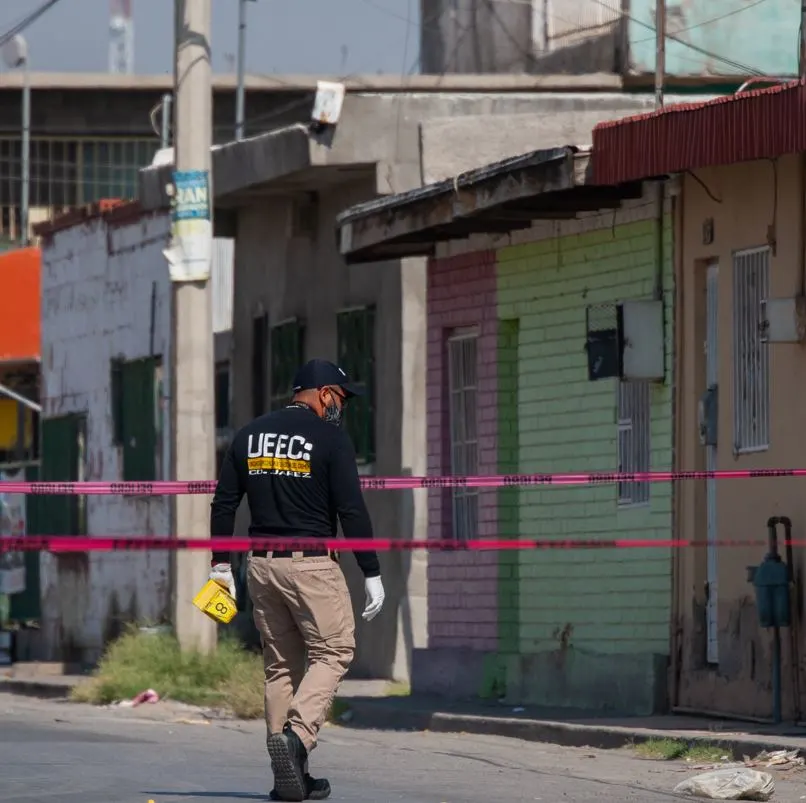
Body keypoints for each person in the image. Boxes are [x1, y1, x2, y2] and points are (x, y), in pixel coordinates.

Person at [209, 358, 385, 802]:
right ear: (324, 393)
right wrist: (371, 571)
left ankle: (289, 774)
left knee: (280, 665)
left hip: (262, 567)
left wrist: (219, 566)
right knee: (335, 649)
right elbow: (352, 510)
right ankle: (296, 737)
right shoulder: (331, 438)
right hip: (311, 565)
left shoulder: (249, 435)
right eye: (340, 398)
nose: (341, 407)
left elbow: (224, 503)